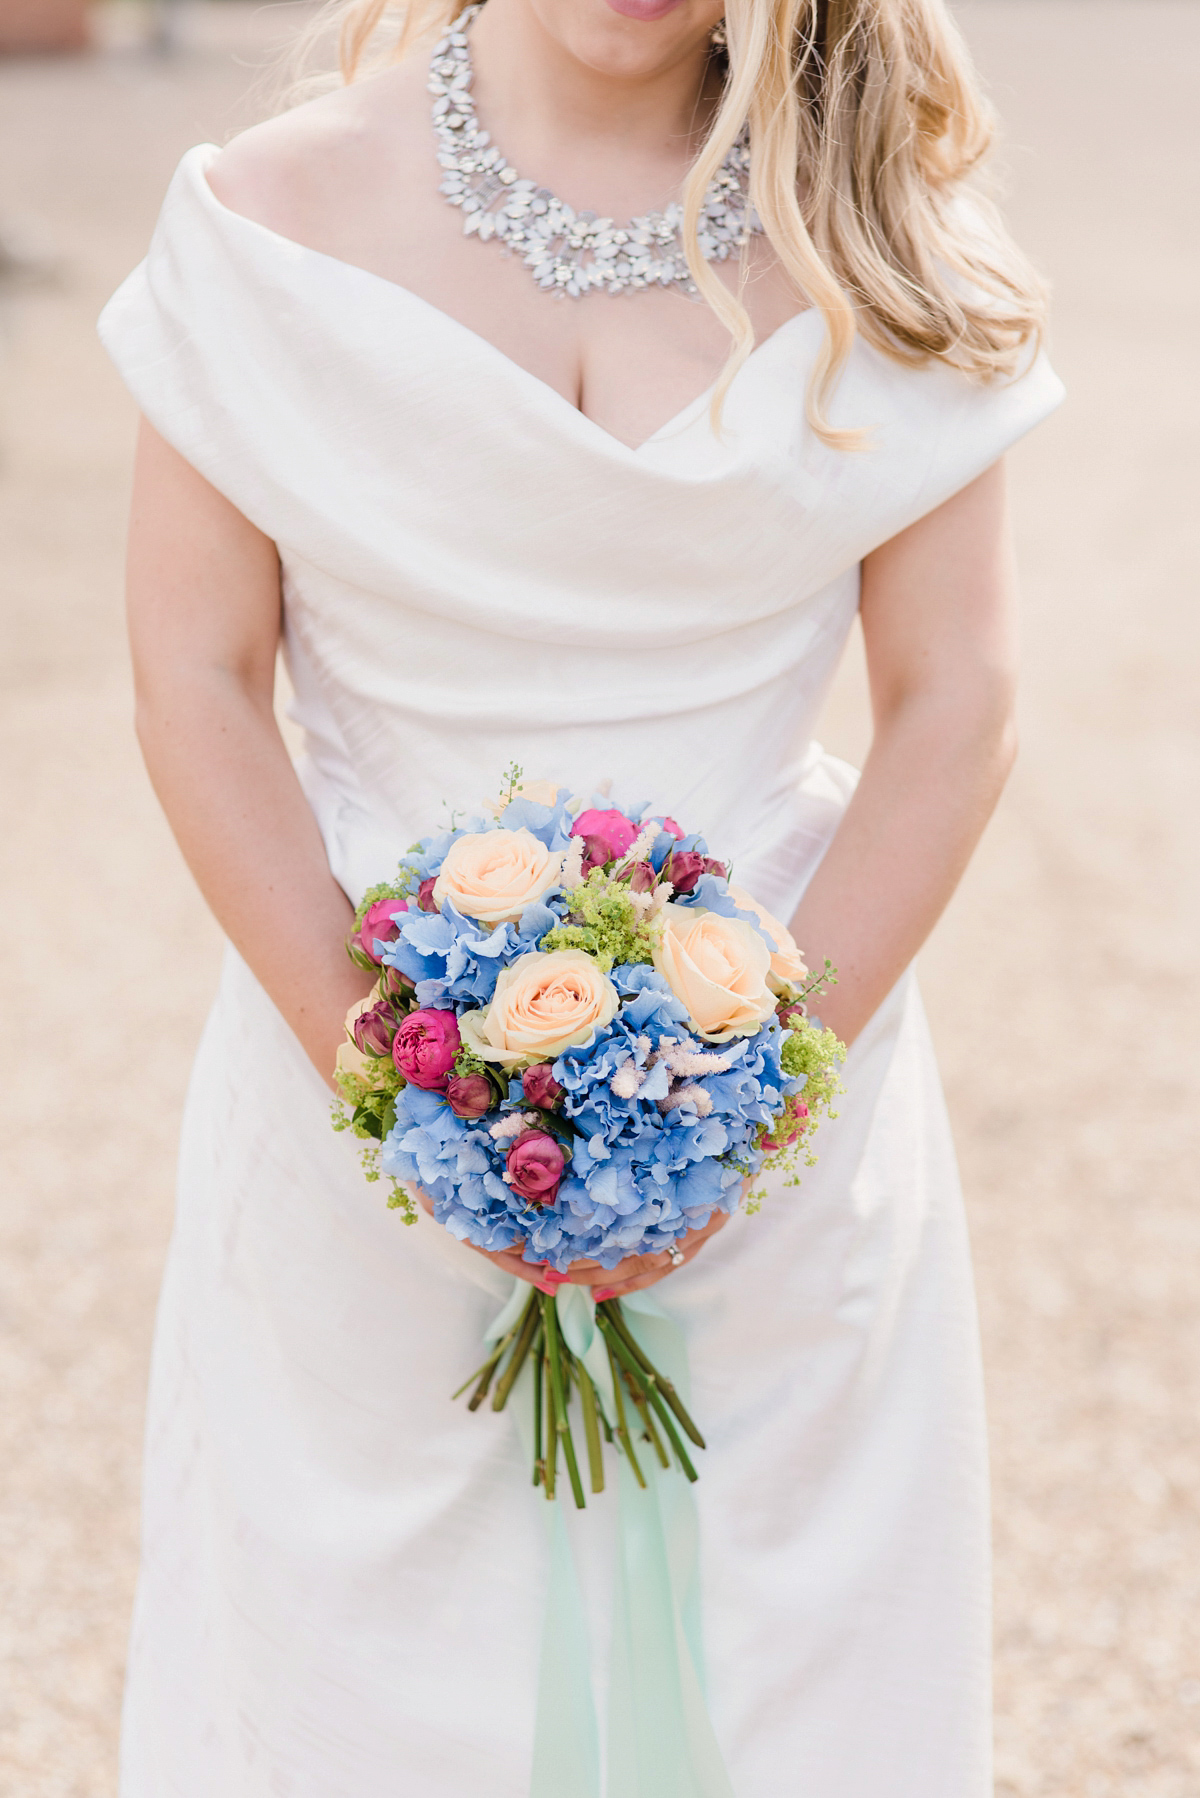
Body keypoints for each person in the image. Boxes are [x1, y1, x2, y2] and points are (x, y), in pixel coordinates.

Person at [98, 0, 1062, 1790]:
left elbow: (962, 700)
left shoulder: (879, 235)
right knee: (356, 1676)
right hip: (348, 1105)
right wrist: (399, 1089)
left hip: (785, 1082)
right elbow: (196, 679)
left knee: (790, 1672)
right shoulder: (265, 215)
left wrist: (744, 1103)